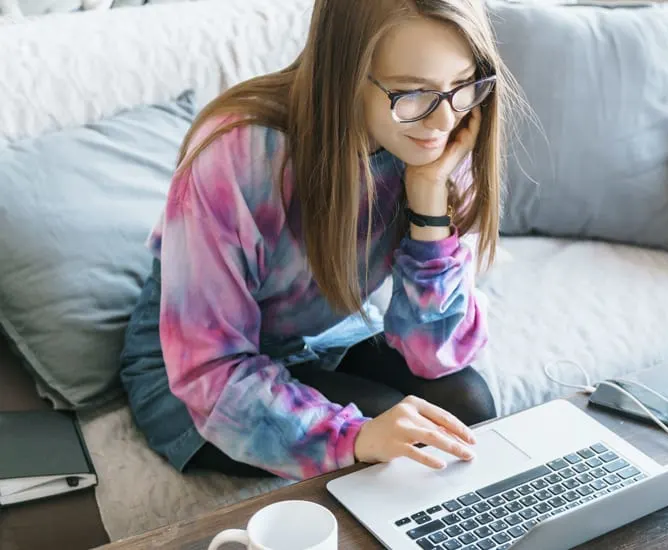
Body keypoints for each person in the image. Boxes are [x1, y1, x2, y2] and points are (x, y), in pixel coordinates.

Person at [119, 0, 521, 481]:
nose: (442, 123)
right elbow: (209, 369)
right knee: (393, 449)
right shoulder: (238, 155)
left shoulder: (447, 129)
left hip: (318, 337)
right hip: (196, 373)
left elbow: (433, 353)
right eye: (413, 93)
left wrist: (429, 201)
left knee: (465, 405)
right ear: (347, 73)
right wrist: (353, 438)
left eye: (461, 84)